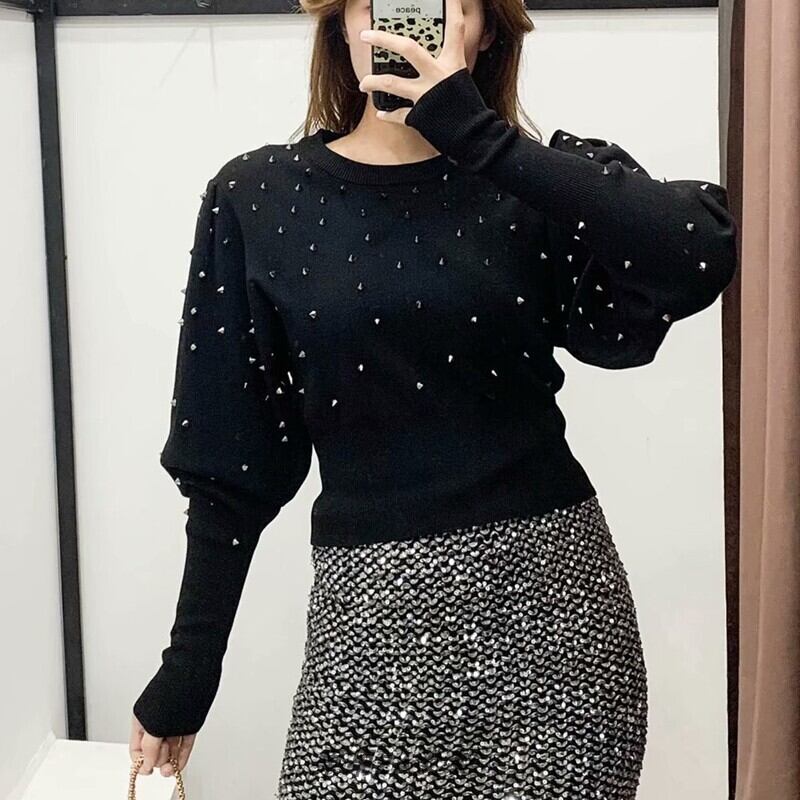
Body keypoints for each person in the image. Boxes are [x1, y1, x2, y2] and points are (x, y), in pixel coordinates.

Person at [129, 0, 739, 794]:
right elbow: (229, 466)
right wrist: (189, 667)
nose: (404, 19)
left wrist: (481, 137)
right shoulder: (258, 197)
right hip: (364, 625)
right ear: (341, 24)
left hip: (554, 630)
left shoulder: (529, 182)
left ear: (485, 31)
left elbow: (700, 248)